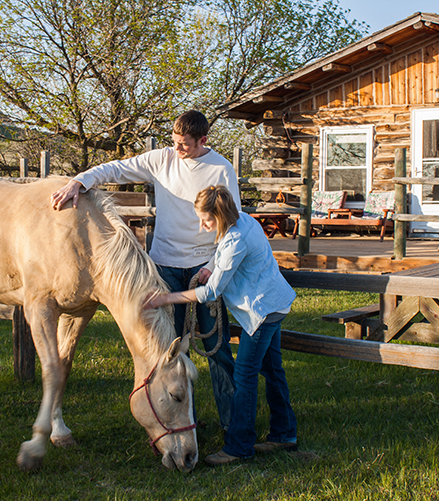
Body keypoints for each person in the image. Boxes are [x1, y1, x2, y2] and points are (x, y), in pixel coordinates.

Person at [51, 110, 238, 430]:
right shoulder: (162, 159)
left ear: (203, 141)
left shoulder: (221, 168)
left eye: (185, 145)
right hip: (164, 267)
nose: (178, 149)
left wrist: (212, 266)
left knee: (216, 349)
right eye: (175, 142)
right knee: (172, 352)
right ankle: (183, 420)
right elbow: (117, 169)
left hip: (203, 269)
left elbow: (231, 222)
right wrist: (79, 181)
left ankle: (233, 425)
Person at [144, 185, 298, 466]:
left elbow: (210, 293)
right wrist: (212, 264)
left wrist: (166, 298)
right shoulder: (245, 221)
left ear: (221, 215)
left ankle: (239, 446)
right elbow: (223, 254)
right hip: (276, 303)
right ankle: (284, 434)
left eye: (207, 220)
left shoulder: (235, 240)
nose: (203, 226)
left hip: (261, 312)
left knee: (244, 378)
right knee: (273, 370)